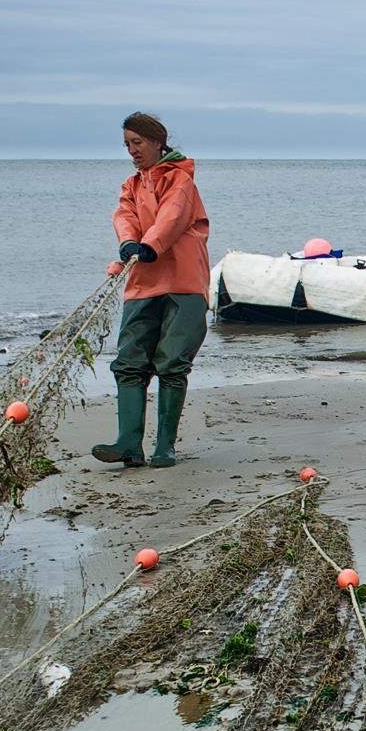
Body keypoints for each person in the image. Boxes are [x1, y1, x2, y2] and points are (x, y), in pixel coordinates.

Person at [92, 112, 210, 469]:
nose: (132, 151)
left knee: (172, 362)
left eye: (137, 143)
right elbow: (123, 214)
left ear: (157, 141)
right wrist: (129, 243)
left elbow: (172, 216)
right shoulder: (131, 184)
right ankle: (129, 442)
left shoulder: (180, 180)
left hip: (183, 282)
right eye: (127, 145)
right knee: (129, 362)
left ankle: (165, 447)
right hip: (143, 282)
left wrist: (150, 244)